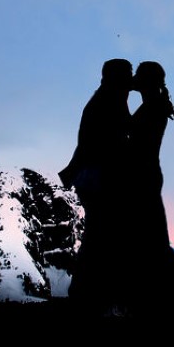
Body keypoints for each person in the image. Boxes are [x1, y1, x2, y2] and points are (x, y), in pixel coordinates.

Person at [122, 61, 174, 312]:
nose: (134, 78)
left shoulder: (152, 108)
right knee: (152, 235)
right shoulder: (153, 105)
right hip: (147, 174)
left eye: (139, 75)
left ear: (147, 81)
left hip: (142, 176)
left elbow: (131, 137)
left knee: (150, 238)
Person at [60, 58, 133, 308]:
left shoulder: (108, 96)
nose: (131, 78)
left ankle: (88, 294)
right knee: (101, 235)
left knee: (100, 234)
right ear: (118, 77)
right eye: (128, 74)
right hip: (99, 178)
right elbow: (119, 136)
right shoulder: (109, 101)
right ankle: (89, 297)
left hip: (92, 177)